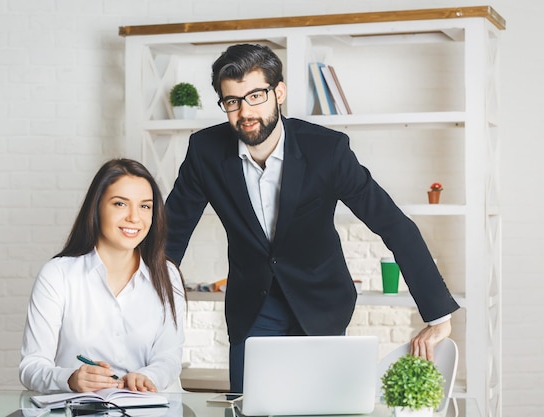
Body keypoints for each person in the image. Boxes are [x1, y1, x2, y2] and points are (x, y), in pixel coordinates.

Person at [164, 43, 460, 393]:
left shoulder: (327, 151)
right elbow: (171, 236)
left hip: (321, 303)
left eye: (256, 95)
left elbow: (391, 223)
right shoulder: (205, 152)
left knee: (322, 406)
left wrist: (438, 315)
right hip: (253, 309)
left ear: (279, 92)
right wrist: (146, 315)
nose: (245, 111)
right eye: (233, 101)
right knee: (251, 407)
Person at [20, 158, 185, 394]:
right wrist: (71, 379)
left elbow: (169, 357)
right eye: (120, 204)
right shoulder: (58, 274)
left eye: (145, 206)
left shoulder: (168, 275)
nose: (134, 218)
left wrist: (146, 377)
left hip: (148, 408)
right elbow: (31, 366)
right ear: (96, 207)